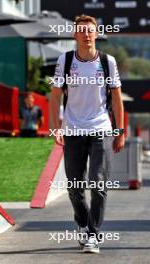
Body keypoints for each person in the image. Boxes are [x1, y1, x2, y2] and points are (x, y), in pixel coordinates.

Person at [50, 15, 125, 253]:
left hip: (100, 129)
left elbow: (116, 97)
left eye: (90, 30)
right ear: (75, 35)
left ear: (96, 34)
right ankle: (82, 224)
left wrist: (120, 131)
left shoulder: (107, 61)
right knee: (75, 185)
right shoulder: (65, 60)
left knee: (99, 184)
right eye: (81, 30)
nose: (86, 34)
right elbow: (54, 96)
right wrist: (56, 127)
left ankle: (93, 235)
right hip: (72, 130)